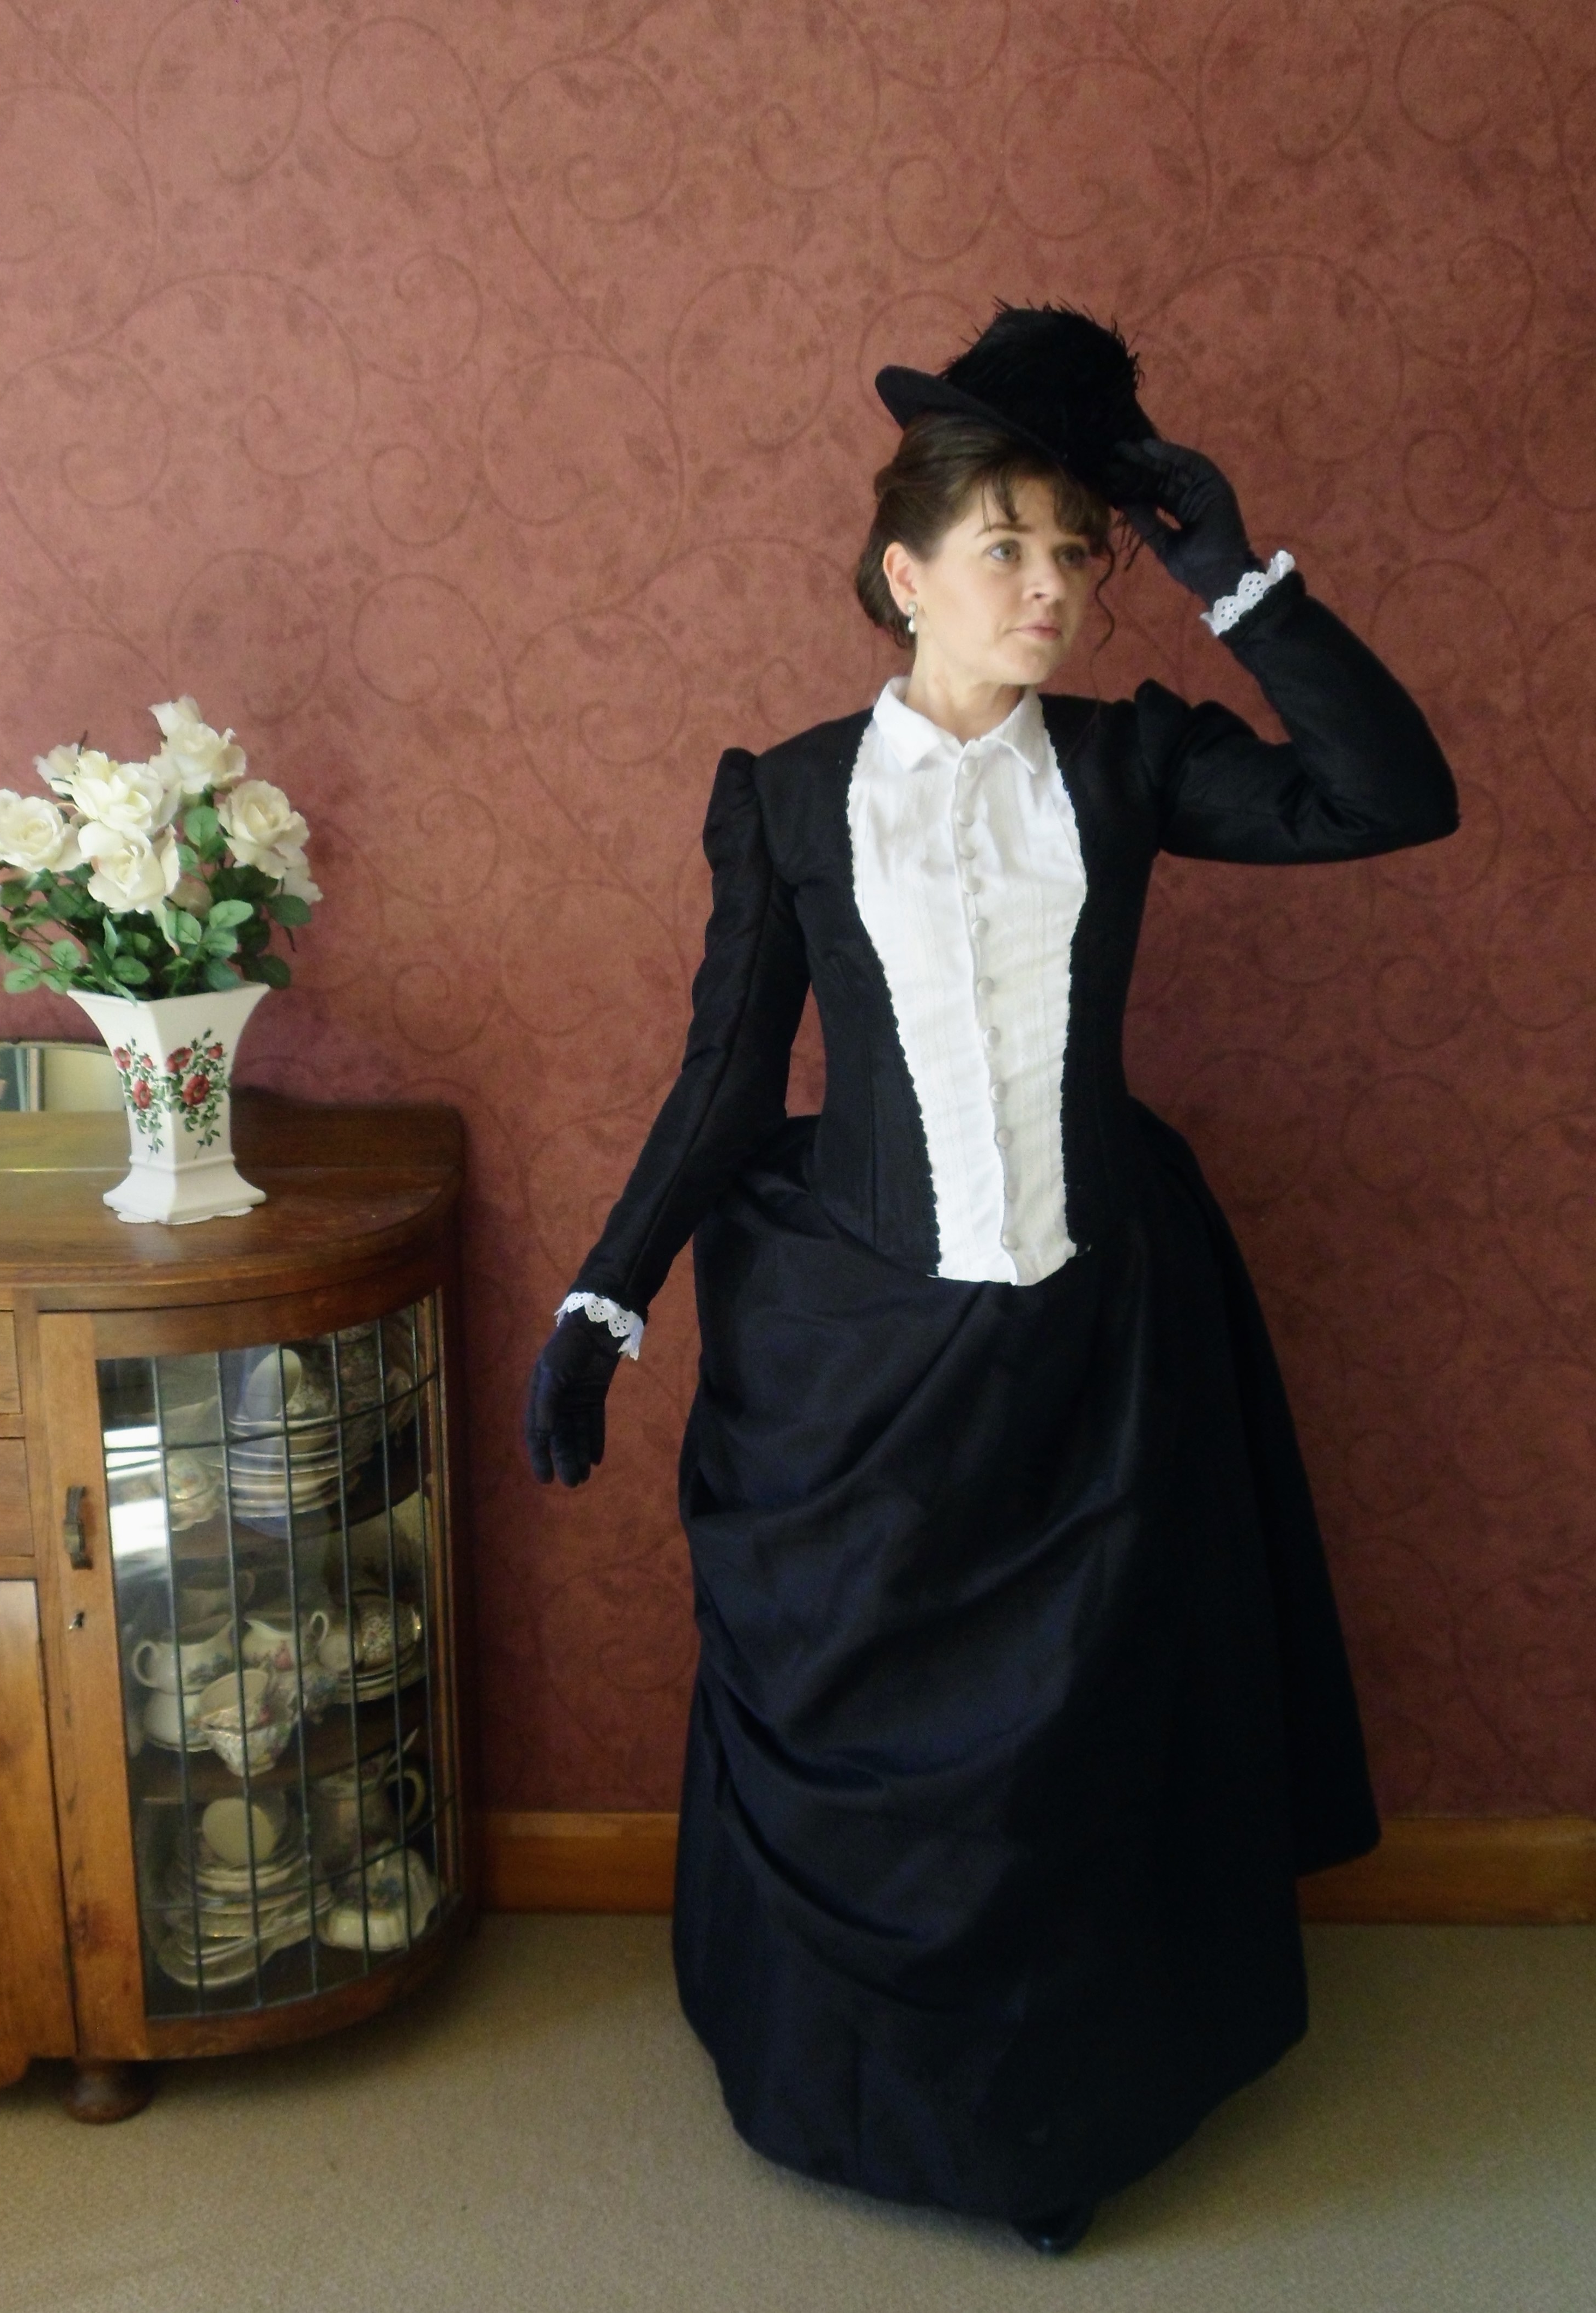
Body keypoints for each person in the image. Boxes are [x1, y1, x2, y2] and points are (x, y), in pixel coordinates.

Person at [523, 304, 1458, 2254]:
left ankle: (1059, 2135)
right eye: (1007, 546)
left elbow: (1391, 794)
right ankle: (849, 2091)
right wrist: (605, 1301)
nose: (1053, 587)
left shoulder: (1128, 761)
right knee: (874, 1734)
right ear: (905, 572)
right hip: (861, 1352)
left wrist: (1238, 576)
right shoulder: (790, 795)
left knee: (1080, 1744)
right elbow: (725, 1080)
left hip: (1101, 1337)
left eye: (1078, 553)